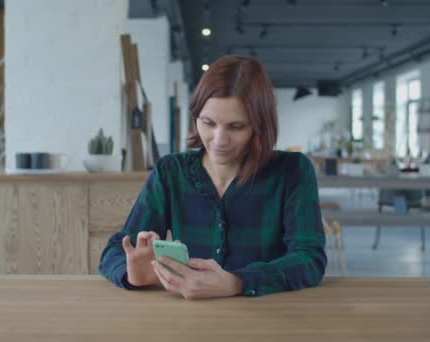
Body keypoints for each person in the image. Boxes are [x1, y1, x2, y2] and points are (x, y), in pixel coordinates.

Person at [99, 55, 326, 299]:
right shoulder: (170, 171)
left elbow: (309, 258)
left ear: (260, 125)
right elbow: (114, 252)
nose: (219, 140)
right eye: (208, 123)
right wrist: (132, 273)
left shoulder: (292, 170)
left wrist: (237, 282)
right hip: (190, 321)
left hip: (269, 319)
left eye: (236, 127)